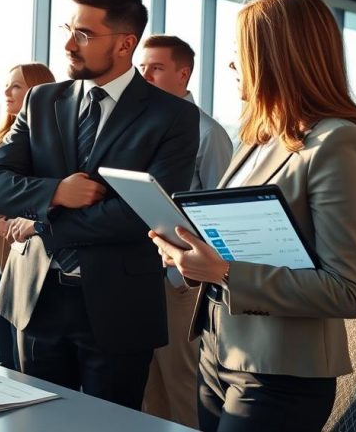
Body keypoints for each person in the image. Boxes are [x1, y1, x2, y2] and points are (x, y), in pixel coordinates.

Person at [150, 0, 356, 432]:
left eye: (241, 54)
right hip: (219, 353)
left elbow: (347, 291)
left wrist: (223, 272)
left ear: (277, 57)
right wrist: (191, 251)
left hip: (280, 371)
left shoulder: (337, 144)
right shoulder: (257, 138)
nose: (232, 65)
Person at [0, 0, 200, 409]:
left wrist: (42, 221)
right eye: (68, 29)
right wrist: (56, 191)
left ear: (124, 43)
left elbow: (145, 215)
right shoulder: (42, 101)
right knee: (36, 423)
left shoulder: (173, 116)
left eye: (83, 34)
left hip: (119, 308)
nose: (67, 44)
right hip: (36, 300)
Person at [138, 35, 232, 428]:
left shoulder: (208, 135)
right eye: (141, 67)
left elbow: (221, 221)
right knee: (147, 390)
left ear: (183, 73)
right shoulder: (144, 128)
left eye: (155, 68)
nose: (145, 75)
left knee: (182, 387)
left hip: (183, 283)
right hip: (139, 275)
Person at [0, 62, 54, 370]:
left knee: (24, 353)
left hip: (23, 252)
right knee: (0, 346)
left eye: (16, 85)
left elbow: (43, 196)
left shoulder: (46, 142)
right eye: (7, 84)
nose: (7, 91)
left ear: (37, 91)